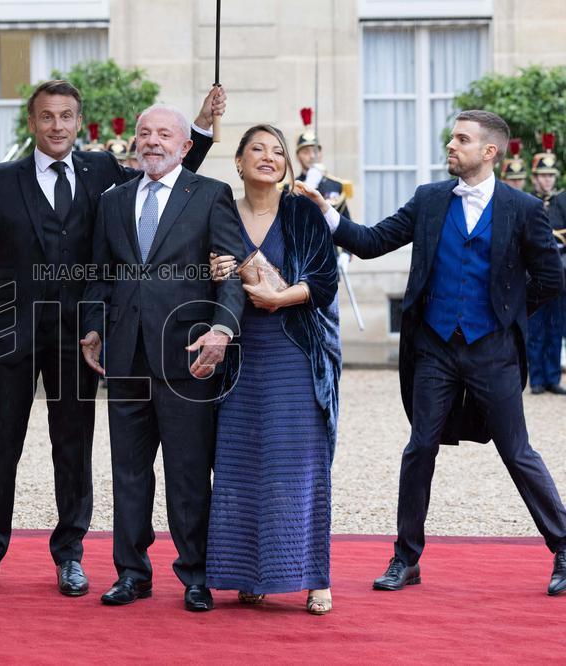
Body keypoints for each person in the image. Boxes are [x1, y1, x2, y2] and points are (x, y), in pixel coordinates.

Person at [0, 79, 226, 597]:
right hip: (12, 332)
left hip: (78, 337)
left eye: (66, 116)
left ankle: (70, 556)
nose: (57, 126)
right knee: (0, 448)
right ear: (32, 122)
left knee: (73, 447)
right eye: (46, 117)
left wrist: (199, 126)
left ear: (77, 122)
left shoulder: (103, 171)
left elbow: (173, 185)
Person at [294, 110, 566, 596]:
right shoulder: (429, 199)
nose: (451, 146)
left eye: (462, 139)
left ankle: (564, 545)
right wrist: (328, 214)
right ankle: (406, 557)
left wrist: (507, 313)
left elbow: (551, 279)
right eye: (451, 138)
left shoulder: (523, 208)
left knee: (517, 451)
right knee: (419, 448)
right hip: (435, 348)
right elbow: (373, 242)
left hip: (493, 350)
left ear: (489, 151)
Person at [79, 104, 245, 612]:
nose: (152, 141)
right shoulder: (114, 200)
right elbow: (99, 272)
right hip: (125, 355)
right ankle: (132, 573)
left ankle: (196, 574)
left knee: (188, 471)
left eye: (164, 134)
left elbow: (231, 273)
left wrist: (222, 329)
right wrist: (91, 328)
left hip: (187, 356)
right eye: (144, 133)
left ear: (184, 145)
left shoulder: (211, 195)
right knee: (129, 471)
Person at [207, 125, 340, 615]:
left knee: (298, 468)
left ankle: (314, 577)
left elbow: (325, 279)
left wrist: (281, 296)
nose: (269, 156)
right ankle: (250, 573)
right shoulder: (219, 211)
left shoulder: (302, 210)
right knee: (241, 466)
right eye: (257, 149)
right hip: (238, 356)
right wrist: (213, 273)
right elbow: (199, 275)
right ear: (238, 162)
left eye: (277, 151)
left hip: (294, 353)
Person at [526, 134, 565, 394]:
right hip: (533, 273)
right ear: (535, 178)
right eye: (543, 175)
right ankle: (537, 378)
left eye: (551, 175)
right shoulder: (527, 201)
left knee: (557, 326)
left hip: (561, 272)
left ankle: (553, 378)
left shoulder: (563, 200)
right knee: (536, 326)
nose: (548, 179)